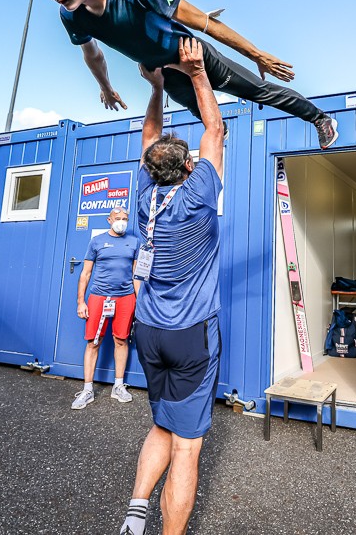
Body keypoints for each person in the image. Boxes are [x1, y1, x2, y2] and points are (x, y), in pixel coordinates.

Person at [10, 0, 339, 150]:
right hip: (165, 75)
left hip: (195, 57)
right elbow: (92, 54)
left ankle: (320, 118)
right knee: (213, 127)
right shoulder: (71, 16)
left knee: (258, 92)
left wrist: (256, 54)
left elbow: (205, 23)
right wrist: (106, 88)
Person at [118, 38, 222, 535]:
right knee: (187, 446)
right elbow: (214, 130)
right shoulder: (197, 195)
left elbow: (149, 136)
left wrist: (157, 87)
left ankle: (135, 514)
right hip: (189, 336)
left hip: (149, 331)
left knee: (162, 422)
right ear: (187, 168)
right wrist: (197, 72)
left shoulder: (143, 197)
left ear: (150, 170)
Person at [72, 207, 140, 410]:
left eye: (125, 218)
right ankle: (87, 390)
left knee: (121, 340)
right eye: (117, 218)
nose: (121, 221)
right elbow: (85, 273)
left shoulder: (134, 242)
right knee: (94, 342)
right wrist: (81, 302)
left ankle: (118, 386)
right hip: (99, 296)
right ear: (109, 220)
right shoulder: (97, 241)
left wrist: (140, 301)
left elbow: (136, 274)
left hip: (126, 297)